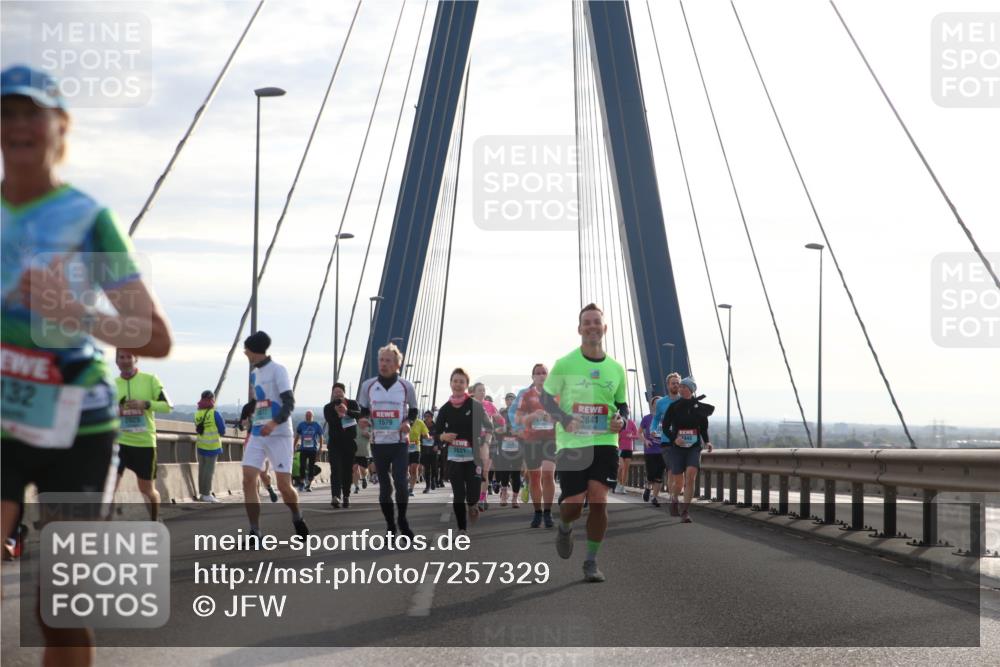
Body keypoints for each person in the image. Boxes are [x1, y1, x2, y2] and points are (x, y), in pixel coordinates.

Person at [1, 64, 173, 666]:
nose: (18, 124)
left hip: (77, 423)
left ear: (59, 126)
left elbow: (154, 337)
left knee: (60, 608)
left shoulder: (86, 219)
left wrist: (75, 312)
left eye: (32, 112)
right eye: (6, 112)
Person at [541, 304, 628, 583]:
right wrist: (563, 417)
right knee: (574, 505)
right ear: (579, 329)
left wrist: (621, 421)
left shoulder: (616, 369)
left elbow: (622, 406)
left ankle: (591, 562)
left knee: (600, 501)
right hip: (571, 442)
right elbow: (545, 398)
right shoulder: (565, 364)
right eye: (586, 323)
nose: (592, 326)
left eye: (596, 322)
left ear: (604, 329)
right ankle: (565, 526)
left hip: (605, 441)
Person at [241, 331, 308, 540]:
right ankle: (255, 531)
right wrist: (246, 417)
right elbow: (258, 403)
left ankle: (297, 517)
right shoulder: (254, 374)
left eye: (247, 350)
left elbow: (289, 403)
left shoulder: (278, 370)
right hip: (258, 434)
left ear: (254, 351)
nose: (245, 353)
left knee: (283, 487)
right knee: (248, 479)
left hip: (279, 434)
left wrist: (273, 422)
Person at [358, 343, 419, 539]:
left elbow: (414, 410)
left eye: (388, 361)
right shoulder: (368, 386)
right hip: (378, 443)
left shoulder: (406, 386)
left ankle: (402, 520)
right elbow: (364, 410)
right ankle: (390, 526)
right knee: (385, 488)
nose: (383, 364)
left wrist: (408, 422)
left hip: (400, 443)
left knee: (401, 483)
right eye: (381, 360)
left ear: (397, 365)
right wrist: (364, 420)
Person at [114, 349, 172, 520]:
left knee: (146, 490)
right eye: (121, 357)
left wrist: (145, 404)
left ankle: (155, 521)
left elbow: (168, 406)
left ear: (136, 358)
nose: (125, 361)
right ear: (116, 361)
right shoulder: (112, 384)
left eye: (129, 357)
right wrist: (117, 411)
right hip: (118, 443)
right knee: (108, 488)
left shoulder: (150, 379)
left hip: (144, 443)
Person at [435, 368, 491, 534]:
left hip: (474, 458)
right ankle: (462, 529)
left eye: (461, 382)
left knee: (472, 496)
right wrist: (443, 436)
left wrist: (485, 444)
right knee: (458, 495)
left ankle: (473, 506)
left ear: (467, 386)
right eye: (455, 381)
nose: (458, 384)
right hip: (454, 458)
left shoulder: (475, 406)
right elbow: (436, 433)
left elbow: (489, 427)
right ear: (451, 384)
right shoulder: (445, 409)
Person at [663, 377, 714, 522]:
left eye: (685, 386)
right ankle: (674, 498)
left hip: (694, 447)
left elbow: (703, 428)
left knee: (691, 476)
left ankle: (685, 511)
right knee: (678, 482)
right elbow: (665, 427)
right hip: (677, 447)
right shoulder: (674, 406)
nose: (681, 388)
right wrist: (674, 439)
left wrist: (708, 442)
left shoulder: (699, 407)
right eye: (681, 386)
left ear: (691, 390)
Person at [515, 364, 559, 528]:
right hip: (532, 440)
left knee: (548, 474)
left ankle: (547, 513)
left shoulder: (557, 395)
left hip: (550, 440)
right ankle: (537, 512)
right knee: (534, 477)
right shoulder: (526, 395)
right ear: (532, 377)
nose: (541, 376)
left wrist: (552, 417)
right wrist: (533, 416)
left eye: (544, 373)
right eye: (537, 373)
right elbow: (518, 419)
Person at [325, 382, 361, 507]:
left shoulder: (352, 403)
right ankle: (335, 496)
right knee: (335, 470)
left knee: (347, 471)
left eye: (339, 391)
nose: (337, 394)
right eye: (335, 392)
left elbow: (359, 415)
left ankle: (346, 495)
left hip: (349, 443)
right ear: (332, 394)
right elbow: (331, 421)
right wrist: (338, 414)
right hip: (335, 443)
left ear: (344, 393)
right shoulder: (328, 407)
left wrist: (347, 412)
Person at [653, 373, 683, 512]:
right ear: (668, 385)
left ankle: (675, 496)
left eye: (677, 383)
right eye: (673, 383)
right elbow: (656, 419)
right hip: (666, 440)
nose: (675, 385)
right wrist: (653, 430)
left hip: (682, 441)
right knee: (672, 471)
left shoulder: (684, 400)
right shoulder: (661, 403)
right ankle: (673, 498)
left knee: (680, 473)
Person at [240, 399, 278, 502]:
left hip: (265, 441)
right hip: (252, 441)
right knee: (254, 472)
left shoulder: (268, 404)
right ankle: (255, 497)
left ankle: (269, 489)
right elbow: (242, 424)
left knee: (263, 474)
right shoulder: (248, 407)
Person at [194, 390, 226, 502]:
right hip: (212, 447)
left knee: (202, 470)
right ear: (212, 399)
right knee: (209, 471)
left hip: (201, 445)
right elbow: (222, 430)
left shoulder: (197, 414)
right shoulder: (215, 414)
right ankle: (207, 494)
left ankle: (202, 494)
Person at [496, 392, 523, 507]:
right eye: (507, 399)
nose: (510, 401)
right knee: (504, 472)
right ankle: (503, 495)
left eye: (512, 399)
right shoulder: (501, 413)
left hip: (518, 447)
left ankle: (515, 499)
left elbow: (525, 430)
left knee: (516, 473)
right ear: (505, 401)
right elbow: (495, 429)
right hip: (504, 446)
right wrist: (504, 429)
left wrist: (518, 432)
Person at [639, 397, 665, 507]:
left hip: (663, 451)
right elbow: (639, 432)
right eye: (656, 403)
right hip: (650, 450)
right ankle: (647, 488)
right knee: (651, 475)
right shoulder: (647, 418)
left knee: (659, 475)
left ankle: (654, 497)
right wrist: (645, 441)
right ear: (653, 405)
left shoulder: (666, 419)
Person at [294, 410, 324, 492]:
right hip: (303, 449)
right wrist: (294, 446)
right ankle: (302, 483)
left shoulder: (316, 425)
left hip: (313, 449)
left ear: (312, 417)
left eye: (310, 415)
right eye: (307, 415)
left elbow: (321, 437)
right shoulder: (301, 425)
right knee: (302, 466)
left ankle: (309, 485)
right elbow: (297, 436)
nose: (308, 417)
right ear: (305, 416)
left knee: (311, 467)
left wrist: (321, 447)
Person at [615, 415, 640, 494]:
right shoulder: (619, 422)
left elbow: (637, 435)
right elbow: (615, 435)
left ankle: (622, 487)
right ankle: (617, 485)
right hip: (620, 449)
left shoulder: (632, 423)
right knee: (621, 467)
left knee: (626, 469)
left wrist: (631, 436)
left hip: (629, 449)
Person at [408, 407, 429, 496]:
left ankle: (411, 489)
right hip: (404, 448)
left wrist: (427, 436)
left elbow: (426, 434)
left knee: (414, 469)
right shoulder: (404, 420)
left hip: (415, 448)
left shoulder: (420, 423)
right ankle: (406, 482)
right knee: (404, 469)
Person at [418, 410, 438, 493]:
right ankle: (427, 486)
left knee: (434, 468)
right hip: (424, 450)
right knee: (427, 469)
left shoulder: (436, 426)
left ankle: (433, 480)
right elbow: (417, 435)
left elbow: (439, 437)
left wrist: (437, 445)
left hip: (433, 450)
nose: (426, 418)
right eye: (425, 416)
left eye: (428, 417)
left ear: (431, 418)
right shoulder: (421, 425)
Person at [352, 417, 372, 494]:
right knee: (354, 468)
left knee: (363, 470)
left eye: (365, 421)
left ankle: (364, 478)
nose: (364, 423)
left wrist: (367, 434)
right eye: (362, 421)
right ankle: (356, 487)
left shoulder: (369, 427)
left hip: (365, 452)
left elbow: (373, 437)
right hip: (354, 452)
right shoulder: (354, 427)